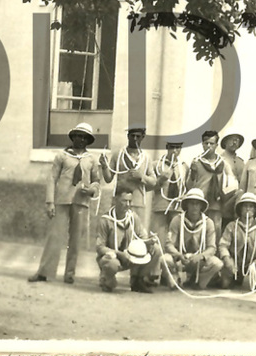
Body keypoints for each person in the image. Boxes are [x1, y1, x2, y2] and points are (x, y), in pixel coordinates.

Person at [29, 122, 102, 285]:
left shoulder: (91, 160)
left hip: (81, 203)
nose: (80, 140)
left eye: (84, 137)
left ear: (88, 140)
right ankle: (44, 272)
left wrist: (91, 190)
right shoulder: (62, 156)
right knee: (54, 237)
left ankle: (70, 274)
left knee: (75, 240)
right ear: (73, 137)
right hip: (62, 200)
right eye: (78, 136)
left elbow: (97, 181)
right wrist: (50, 202)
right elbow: (52, 178)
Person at [94, 186, 162, 293]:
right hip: (114, 257)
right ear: (115, 200)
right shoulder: (105, 220)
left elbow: (142, 237)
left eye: (130, 201)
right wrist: (119, 253)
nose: (128, 205)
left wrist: (149, 241)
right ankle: (106, 279)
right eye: (124, 201)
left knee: (155, 249)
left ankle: (138, 280)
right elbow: (100, 247)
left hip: (131, 256)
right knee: (111, 264)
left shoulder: (133, 217)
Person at [162, 189, 223, 290]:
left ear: (201, 206)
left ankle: (198, 282)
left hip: (199, 261)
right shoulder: (177, 220)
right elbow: (169, 244)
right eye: (192, 203)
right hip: (180, 260)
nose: (194, 207)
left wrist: (200, 256)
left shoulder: (208, 223)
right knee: (164, 259)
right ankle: (175, 279)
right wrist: (179, 255)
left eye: (197, 204)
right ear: (187, 205)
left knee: (217, 263)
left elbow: (212, 248)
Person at [100, 125, 158, 233]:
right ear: (128, 136)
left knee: (136, 232)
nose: (135, 139)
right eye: (132, 136)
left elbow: (153, 181)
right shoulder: (118, 154)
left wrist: (142, 177)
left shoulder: (146, 157)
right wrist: (104, 166)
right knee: (118, 230)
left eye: (138, 136)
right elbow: (108, 178)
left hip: (138, 202)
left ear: (143, 137)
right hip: (120, 200)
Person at [186, 130, 237, 246]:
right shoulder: (196, 162)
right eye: (206, 143)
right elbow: (189, 186)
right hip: (199, 204)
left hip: (216, 205)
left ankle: (212, 256)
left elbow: (233, 183)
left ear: (216, 145)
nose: (209, 146)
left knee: (215, 231)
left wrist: (224, 195)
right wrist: (193, 173)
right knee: (198, 232)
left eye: (212, 143)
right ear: (202, 144)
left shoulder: (223, 163)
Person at [218, 192, 256, 290]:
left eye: (251, 206)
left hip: (252, 263)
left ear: (255, 209)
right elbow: (223, 245)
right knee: (225, 285)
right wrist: (227, 259)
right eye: (245, 206)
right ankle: (233, 278)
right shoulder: (232, 226)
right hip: (234, 262)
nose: (248, 209)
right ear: (240, 209)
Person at [149, 140, 187, 251]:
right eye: (172, 148)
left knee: (174, 238)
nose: (174, 151)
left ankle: (170, 263)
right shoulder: (156, 165)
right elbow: (149, 187)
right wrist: (160, 180)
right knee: (158, 237)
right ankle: (156, 263)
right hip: (160, 206)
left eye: (177, 148)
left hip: (176, 207)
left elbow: (186, 186)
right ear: (167, 148)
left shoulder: (184, 167)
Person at [218, 130, 246, 227]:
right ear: (225, 142)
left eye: (237, 140)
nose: (234, 142)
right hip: (222, 203)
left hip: (237, 204)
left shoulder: (241, 162)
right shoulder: (219, 160)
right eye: (231, 140)